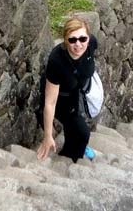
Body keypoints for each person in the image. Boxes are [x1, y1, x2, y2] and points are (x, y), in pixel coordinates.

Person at [37, 17, 97, 162]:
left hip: (77, 92)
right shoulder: (57, 61)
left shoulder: (91, 44)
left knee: (77, 133)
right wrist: (47, 136)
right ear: (65, 40)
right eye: (72, 40)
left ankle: (73, 151)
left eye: (83, 39)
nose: (78, 44)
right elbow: (50, 103)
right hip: (60, 96)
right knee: (82, 132)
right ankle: (66, 161)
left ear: (88, 38)